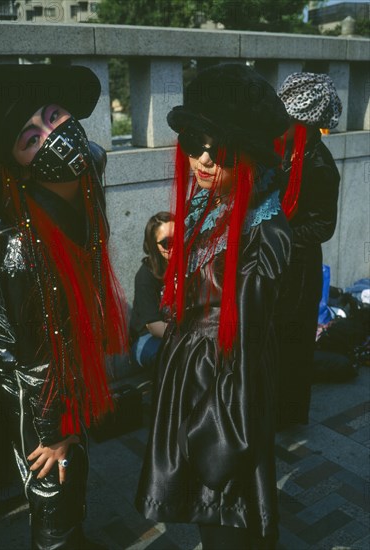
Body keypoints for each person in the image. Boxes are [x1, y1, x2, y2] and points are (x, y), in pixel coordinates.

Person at [0, 63, 126, 550]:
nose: (52, 134)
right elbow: (33, 362)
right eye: (30, 139)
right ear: (20, 167)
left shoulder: (84, 192)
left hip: (62, 369)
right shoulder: (18, 249)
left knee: (75, 467)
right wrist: (53, 431)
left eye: (53, 116)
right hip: (31, 382)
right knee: (52, 480)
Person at [135, 63, 291, 549]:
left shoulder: (262, 234)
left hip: (221, 400)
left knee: (224, 508)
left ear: (245, 153)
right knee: (208, 518)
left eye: (216, 148)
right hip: (193, 381)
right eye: (194, 140)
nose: (202, 158)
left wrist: (222, 436)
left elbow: (246, 353)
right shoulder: (213, 204)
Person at [275, 72, 341, 430]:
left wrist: (277, 233)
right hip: (275, 259)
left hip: (298, 267)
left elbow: (323, 227)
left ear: (301, 124)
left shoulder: (319, 166)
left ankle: (288, 417)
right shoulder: (281, 153)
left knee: (294, 341)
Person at [129, 212, 174, 369]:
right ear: (153, 245)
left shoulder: (189, 264)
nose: (175, 246)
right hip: (147, 338)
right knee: (173, 356)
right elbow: (155, 327)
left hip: (180, 332)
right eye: (167, 243)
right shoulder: (145, 276)